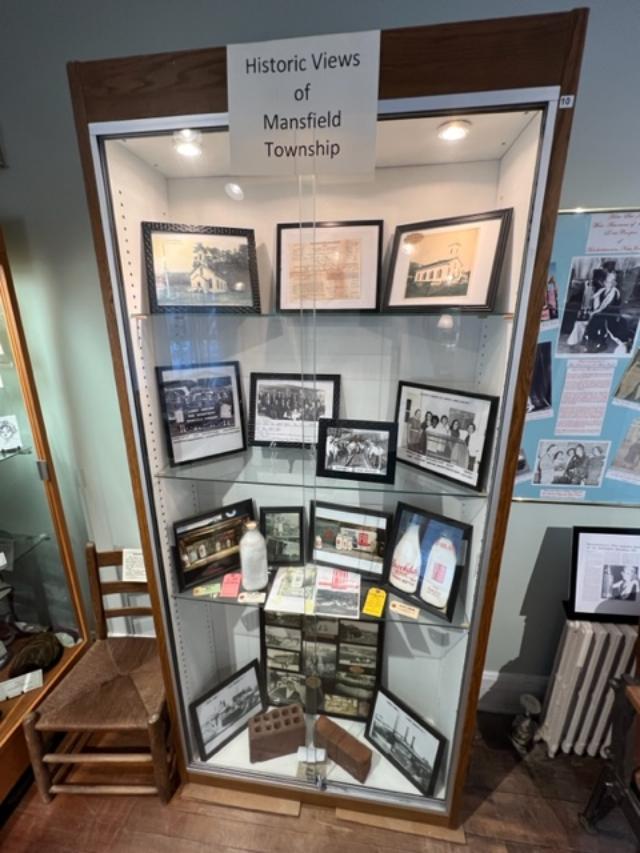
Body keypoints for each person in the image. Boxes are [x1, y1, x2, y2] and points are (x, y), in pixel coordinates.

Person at [583, 270, 626, 353]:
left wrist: (596, 312)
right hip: (601, 313)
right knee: (593, 322)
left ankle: (600, 343)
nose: (607, 282)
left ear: (614, 282)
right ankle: (591, 342)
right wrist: (594, 311)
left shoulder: (615, 292)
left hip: (610, 315)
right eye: (606, 280)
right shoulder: (602, 291)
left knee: (599, 322)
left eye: (610, 281)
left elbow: (608, 306)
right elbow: (594, 301)